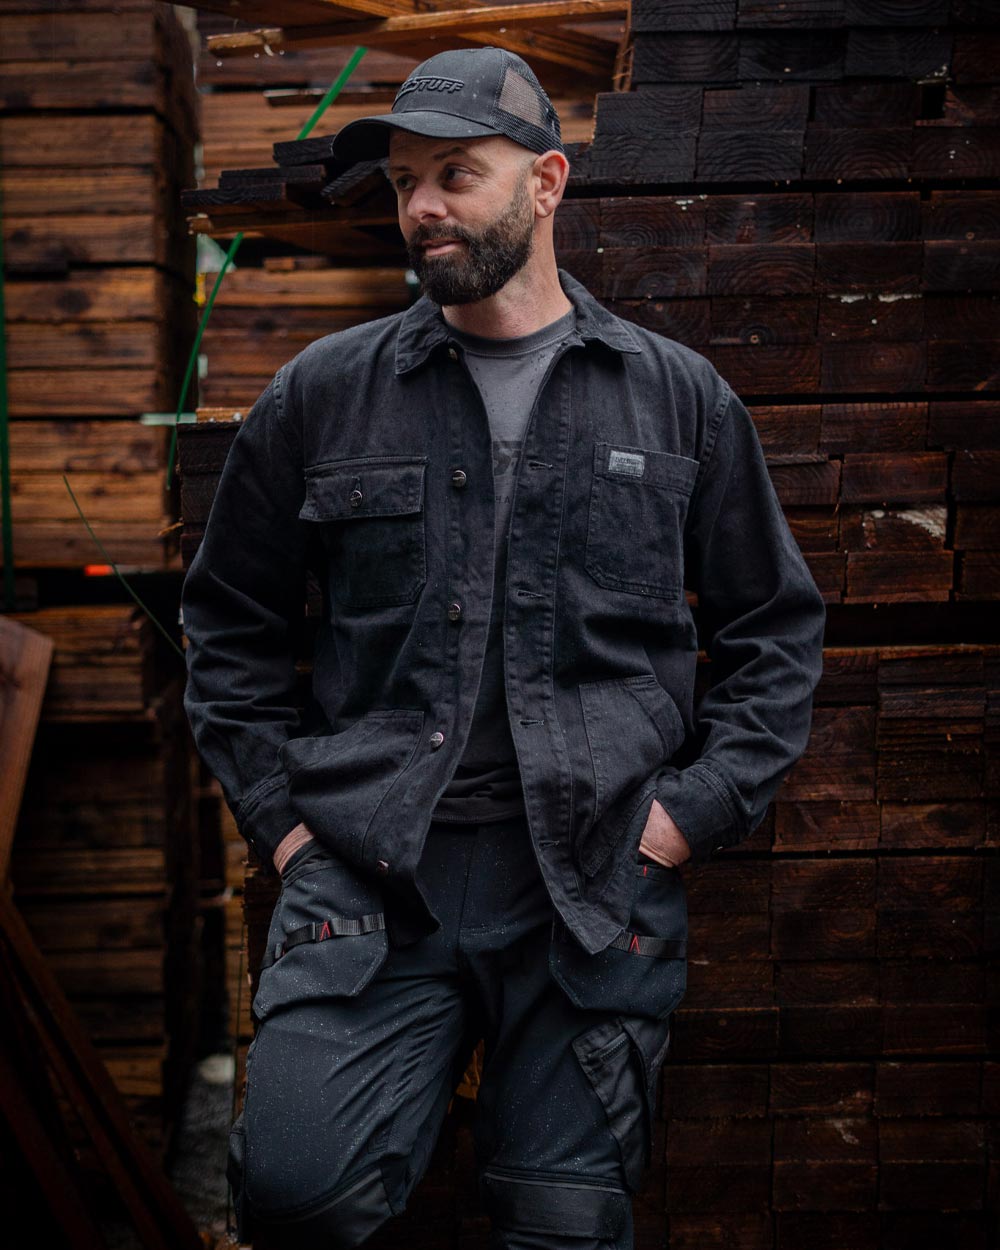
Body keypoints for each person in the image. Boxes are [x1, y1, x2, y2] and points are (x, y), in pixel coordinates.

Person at [181, 45, 826, 1250]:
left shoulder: (675, 399)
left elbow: (772, 631)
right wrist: (284, 820)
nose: (420, 205)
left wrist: (684, 816)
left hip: (591, 878)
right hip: (374, 874)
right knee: (295, 1194)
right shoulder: (323, 396)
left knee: (561, 1224)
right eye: (403, 183)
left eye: (454, 175)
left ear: (546, 183)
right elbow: (226, 626)